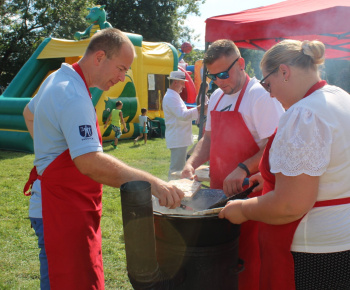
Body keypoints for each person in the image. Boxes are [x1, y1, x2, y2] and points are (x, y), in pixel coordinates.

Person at [22, 28, 184, 290]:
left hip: (66, 204)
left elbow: (27, 114)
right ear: (99, 57)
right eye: (121, 68)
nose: (121, 78)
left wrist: (48, 157)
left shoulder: (57, 79)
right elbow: (89, 162)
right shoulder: (72, 93)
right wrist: (155, 185)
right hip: (59, 211)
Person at [219, 39, 350, 289]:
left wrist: (243, 210)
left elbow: (291, 204)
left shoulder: (303, 114)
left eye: (268, 84)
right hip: (342, 241)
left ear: (284, 72)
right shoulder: (340, 97)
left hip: (313, 253)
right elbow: (329, 165)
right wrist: (274, 180)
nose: (270, 94)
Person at [181, 39, 284, 290]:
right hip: (220, 196)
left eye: (224, 74)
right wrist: (191, 163)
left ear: (241, 64)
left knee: (249, 265)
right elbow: (209, 138)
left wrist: (243, 167)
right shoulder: (217, 96)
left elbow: (276, 144)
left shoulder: (260, 96)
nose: (219, 81)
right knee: (224, 266)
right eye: (213, 76)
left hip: (252, 198)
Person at [163, 70, 206, 180]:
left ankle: (174, 192)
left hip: (179, 138)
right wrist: (200, 108)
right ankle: (170, 192)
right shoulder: (171, 97)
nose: (183, 86)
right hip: (178, 138)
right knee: (176, 170)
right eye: (182, 83)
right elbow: (182, 115)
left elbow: (182, 114)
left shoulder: (173, 95)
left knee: (179, 168)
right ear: (176, 82)